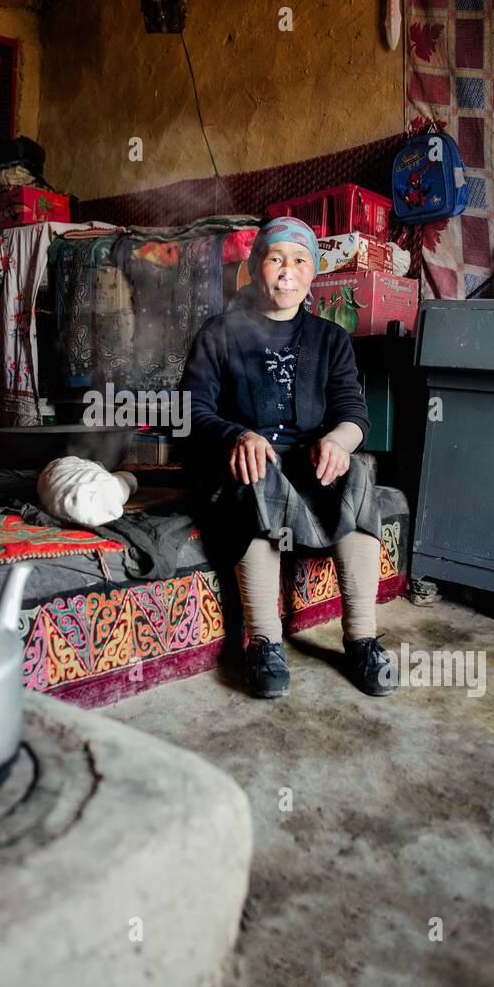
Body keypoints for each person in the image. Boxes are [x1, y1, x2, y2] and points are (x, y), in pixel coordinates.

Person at [179, 216, 398, 701]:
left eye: (299, 260)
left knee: (359, 472)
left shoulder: (331, 340)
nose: (287, 270)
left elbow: (353, 412)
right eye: (275, 258)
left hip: (306, 460)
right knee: (257, 471)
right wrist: (238, 436)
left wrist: (340, 442)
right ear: (257, 267)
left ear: (311, 274)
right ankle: (264, 644)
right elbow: (190, 410)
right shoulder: (219, 334)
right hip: (240, 461)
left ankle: (361, 638)